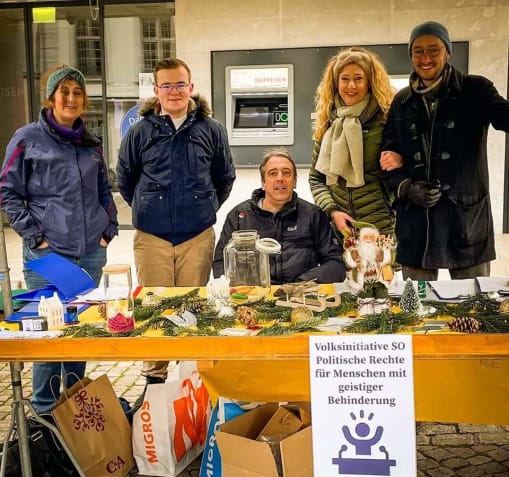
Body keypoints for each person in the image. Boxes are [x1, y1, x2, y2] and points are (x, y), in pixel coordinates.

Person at [0, 64, 118, 413]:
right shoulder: (27, 139)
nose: (70, 98)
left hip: (90, 254)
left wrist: (108, 231)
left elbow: (104, 190)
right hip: (48, 256)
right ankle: (45, 419)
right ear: (51, 98)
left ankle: (75, 412)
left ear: (84, 100)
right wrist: (35, 237)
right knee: (51, 337)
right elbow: (8, 193)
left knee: (79, 336)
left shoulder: (90, 143)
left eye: (77, 92)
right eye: (63, 91)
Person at [117, 57, 235, 387]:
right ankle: (155, 381)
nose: (174, 91)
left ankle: (188, 383)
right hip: (151, 237)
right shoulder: (140, 132)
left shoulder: (211, 130)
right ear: (156, 91)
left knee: (190, 308)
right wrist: (148, 208)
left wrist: (203, 207)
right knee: (155, 308)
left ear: (191, 87)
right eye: (166, 85)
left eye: (180, 84)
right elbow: (125, 179)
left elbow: (224, 177)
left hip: (196, 236)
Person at [380, 21, 509, 280]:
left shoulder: (476, 89)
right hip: (417, 224)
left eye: (433, 50)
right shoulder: (402, 101)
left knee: (472, 307)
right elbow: (385, 162)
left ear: (447, 52)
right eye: (418, 51)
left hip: (466, 221)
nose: (425, 58)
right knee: (414, 307)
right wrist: (407, 188)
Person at [213, 148, 346, 284]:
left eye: (286, 173)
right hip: (253, 297)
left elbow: (336, 263)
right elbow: (220, 263)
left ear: (294, 182)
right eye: (273, 173)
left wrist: (302, 284)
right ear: (263, 183)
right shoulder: (239, 216)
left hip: (302, 296)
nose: (280, 178)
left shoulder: (313, 215)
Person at [309, 47, 396, 241]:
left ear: (369, 82)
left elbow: (397, 175)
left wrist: (387, 206)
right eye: (345, 79)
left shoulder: (385, 120)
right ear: (336, 82)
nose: (351, 86)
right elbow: (316, 178)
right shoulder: (328, 123)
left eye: (358, 78)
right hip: (339, 228)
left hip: (379, 225)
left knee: (380, 272)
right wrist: (332, 211)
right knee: (341, 271)